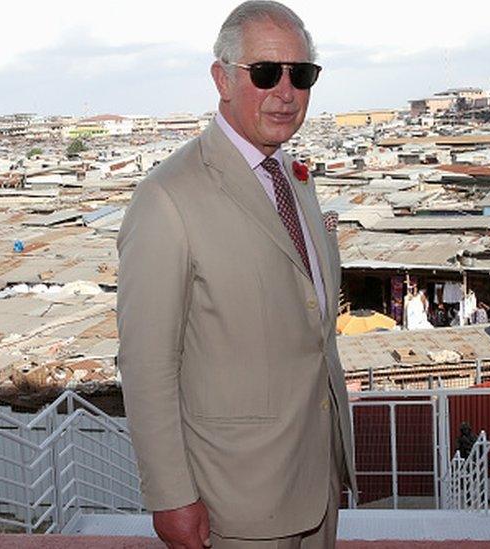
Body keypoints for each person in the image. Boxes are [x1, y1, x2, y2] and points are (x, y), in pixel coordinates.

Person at [116, 2, 355, 547]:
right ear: (221, 79)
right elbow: (147, 362)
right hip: (235, 502)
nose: (286, 91)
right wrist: (172, 496)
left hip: (315, 482)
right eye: (266, 72)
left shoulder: (293, 179)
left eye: (302, 74)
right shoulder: (167, 198)